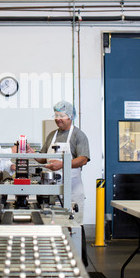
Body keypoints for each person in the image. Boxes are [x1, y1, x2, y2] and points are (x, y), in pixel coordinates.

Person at [36, 101, 90, 265]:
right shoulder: (51, 135)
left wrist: (63, 164)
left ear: (70, 117)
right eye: (56, 115)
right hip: (52, 190)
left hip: (72, 189)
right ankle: (55, 262)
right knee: (53, 224)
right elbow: (43, 157)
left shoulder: (78, 135)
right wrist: (32, 153)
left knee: (74, 226)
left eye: (62, 116)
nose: (58, 119)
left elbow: (83, 159)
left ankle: (78, 263)